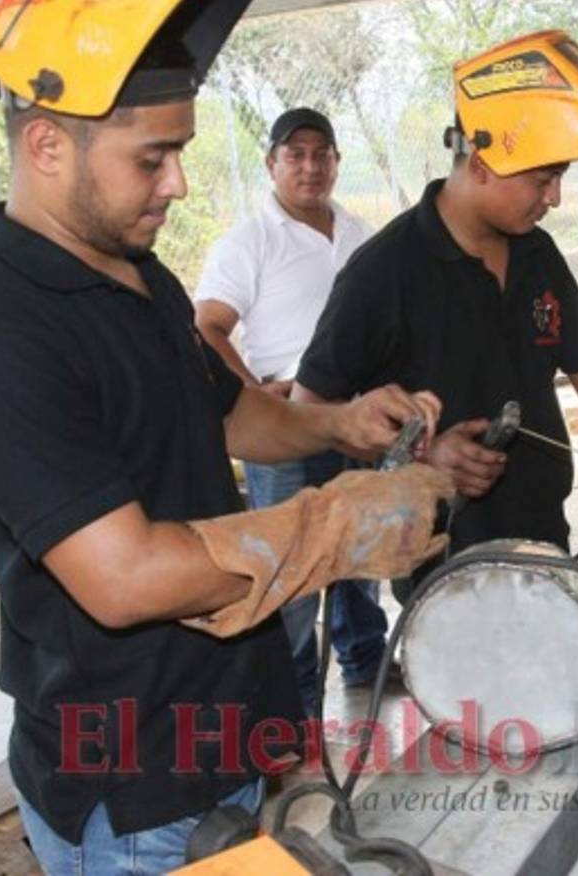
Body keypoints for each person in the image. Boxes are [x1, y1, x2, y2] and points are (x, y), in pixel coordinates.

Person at [0, 0, 450, 871]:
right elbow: (124, 578)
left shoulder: (136, 274)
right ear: (46, 145)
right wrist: (338, 526)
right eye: (152, 158)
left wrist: (338, 425)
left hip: (222, 733)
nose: (178, 182)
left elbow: (231, 412)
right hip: (130, 779)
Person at [292, 30, 578, 598]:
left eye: (558, 177)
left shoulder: (536, 252)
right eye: (543, 179)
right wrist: (421, 451)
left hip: (543, 540)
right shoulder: (384, 272)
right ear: (482, 162)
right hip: (445, 567)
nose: (555, 198)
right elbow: (309, 409)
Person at [195, 108, 388, 708]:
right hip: (281, 429)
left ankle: (366, 662)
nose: (310, 166)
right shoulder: (248, 242)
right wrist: (252, 393)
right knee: (289, 566)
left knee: (361, 547)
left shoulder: (360, 234)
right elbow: (207, 328)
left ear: (336, 162)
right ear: (271, 164)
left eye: (321, 153)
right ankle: (293, 696)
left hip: (356, 419)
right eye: (295, 154)